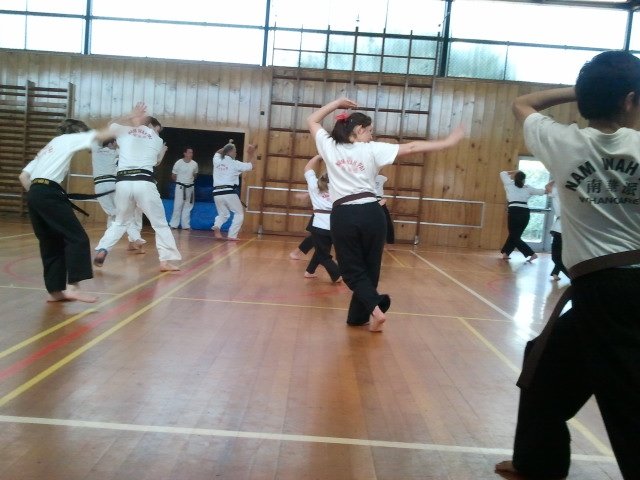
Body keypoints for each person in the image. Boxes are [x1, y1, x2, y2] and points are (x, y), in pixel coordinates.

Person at [495, 51, 640, 480]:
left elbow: (524, 103)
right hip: (606, 292)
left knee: (628, 400)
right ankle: (537, 462)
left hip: (611, 292)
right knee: (543, 371)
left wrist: (588, 90)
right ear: (630, 99)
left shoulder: (563, 142)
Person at [307, 97, 464, 332]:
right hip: (373, 213)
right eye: (370, 131)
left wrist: (337, 103)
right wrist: (446, 142)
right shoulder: (372, 149)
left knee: (350, 270)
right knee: (370, 269)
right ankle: (358, 317)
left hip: (345, 215)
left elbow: (312, 120)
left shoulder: (329, 145)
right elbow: (411, 148)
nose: (372, 136)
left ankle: (376, 308)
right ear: (359, 130)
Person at [18, 119, 113, 303]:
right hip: (48, 192)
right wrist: (128, 122)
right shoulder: (68, 139)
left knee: (51, 243)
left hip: (35, 193)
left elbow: (23, 176)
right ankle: (73, 288)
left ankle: (55, 292)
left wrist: (38, 196)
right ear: (77, 132)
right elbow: (102, 134)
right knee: (77, 237)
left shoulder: (47, 149)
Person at [93, 102, 181, 272]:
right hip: (144, 182)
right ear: (151, 126)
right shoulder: (156, 139)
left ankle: (103, 249)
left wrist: (130, 115)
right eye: (157, 128)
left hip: (123, 182)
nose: (158, 131)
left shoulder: (123, 130)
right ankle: (165, 261)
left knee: (120, 222)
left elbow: (110, 125)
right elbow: (155, 161)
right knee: (160, 224)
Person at [91, 138, 146, 253]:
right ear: (110, 143)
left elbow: (94, 139)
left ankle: (131, 238)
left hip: (100, 185)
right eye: (115, 142)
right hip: (113, 185)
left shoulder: (96, 151)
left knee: (115, 214)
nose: (116, 144)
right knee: (120, 214)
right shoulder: (117, 152)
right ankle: (135, 238)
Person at [302, 155, 341, 283]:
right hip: (336, 224)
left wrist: (319, 156)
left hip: (319, 225)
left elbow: (307, 168)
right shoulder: (340, 188)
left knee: (323, 254)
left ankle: (337, 274)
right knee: (322, 250)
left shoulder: (314, 185)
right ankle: (310, 271)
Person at [211, 140, 256, 241]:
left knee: (223, 214)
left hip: (216, 193)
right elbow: (252, 165)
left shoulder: (217, 160)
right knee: (239, 214)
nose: (236, 153)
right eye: (234, 151)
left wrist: (228, 145)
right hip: (228, 192)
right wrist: (252, 153)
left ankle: (217, 226)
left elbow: (218, 152)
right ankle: (232, 235)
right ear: (230, 152)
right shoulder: (235, 164)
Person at [499, 170, 546, 262]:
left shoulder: (509, 184)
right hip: (525, 213)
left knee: (514, 235)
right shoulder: (528, 188)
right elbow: (541, 192)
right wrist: (549, 189)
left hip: (514, 211)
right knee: (515, 235)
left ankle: (531, 254)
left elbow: (502, 173)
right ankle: (506, 253)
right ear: (524, 180)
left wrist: (515, 171)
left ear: (515, 178)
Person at [168, 146, 198, 230]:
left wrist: (191, 178)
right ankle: (173, 224)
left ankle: (186, 226)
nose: (191, 154)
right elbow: (173, 175)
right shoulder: (178, 163)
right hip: (180, 186)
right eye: (189, 152)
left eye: (192, 152)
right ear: (184, 153)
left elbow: (195, 175)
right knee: (178, 205)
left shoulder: (194, 164)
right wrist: (180, 182)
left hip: (190, 187)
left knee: (188, 206)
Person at [546, 180, 568, 281]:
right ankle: (555, 272)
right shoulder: (570, 192)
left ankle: (573, 277)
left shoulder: (558, 190)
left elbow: (547, 187)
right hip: (567, 226)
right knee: (561, 253)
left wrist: (555, 178)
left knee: (556, 257)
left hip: (562, 227)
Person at [375, 173, 395, 244]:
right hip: (371, 200)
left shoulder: (380, 177)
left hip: (379, 200)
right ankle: (390, 240)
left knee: (387, 220)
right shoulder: (380, 177)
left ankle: (390, 240)